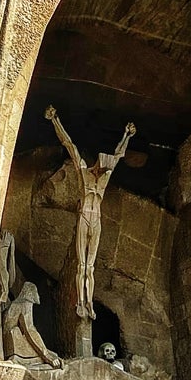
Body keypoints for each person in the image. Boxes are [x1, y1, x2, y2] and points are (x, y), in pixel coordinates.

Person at [44, 107, 136, 323]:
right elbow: (69, 145)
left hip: (96, 221)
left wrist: (127, 135)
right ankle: (79, 303)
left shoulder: (104, 178)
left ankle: (89, 304)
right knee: (82, 266)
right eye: (103, 169)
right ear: (98, 165)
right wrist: (55, 120)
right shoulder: (84, 171)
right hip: (84, 217)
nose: (104, 172)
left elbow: (119, 154)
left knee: (91, 268)